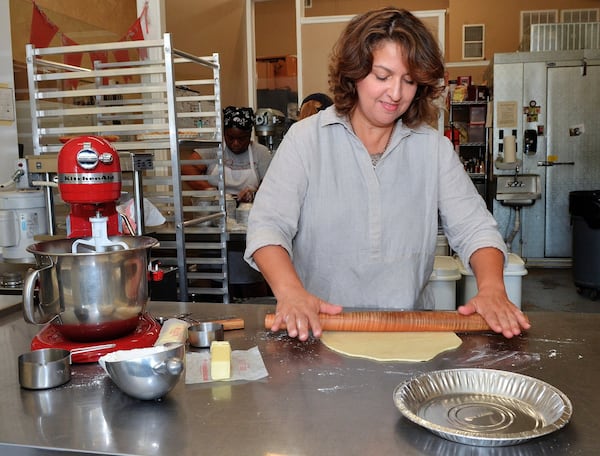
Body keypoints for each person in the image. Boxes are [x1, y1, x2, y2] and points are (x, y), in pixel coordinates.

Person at [244, 7, 530, 341]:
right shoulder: (307, 139)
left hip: (409, 331)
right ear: (354, 72)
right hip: (319, 330)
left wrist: (493, 287)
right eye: (382, 76)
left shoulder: (432, 149)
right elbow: (267, 226)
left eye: (409, 81)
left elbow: (475, 229)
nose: (396, 94)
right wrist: (290, 291)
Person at [182, 106, 273, 202]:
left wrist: (254, 193)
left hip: (247, 211)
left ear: (250, 134)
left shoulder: (260, 152)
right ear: (224, 134)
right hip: (215, 210)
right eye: (230, 138)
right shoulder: (214, 148)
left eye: (241, 138)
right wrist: (210, 191)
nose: (235, 143)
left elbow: (271, 187)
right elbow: (187, 168)